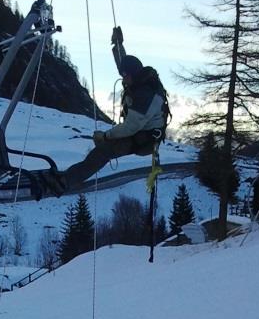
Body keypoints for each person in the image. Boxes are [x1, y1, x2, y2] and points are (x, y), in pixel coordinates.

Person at [29, 27, 169, 200]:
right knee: (101, 150)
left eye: (125, 76)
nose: (123, 79)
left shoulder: (145, 95)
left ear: (132, 75)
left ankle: (63, 183)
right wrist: (118, 45)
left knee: (103, 152)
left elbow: (131, 127)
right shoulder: (139, 77)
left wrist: (106, 136)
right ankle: (68, 176)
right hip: (141, 131)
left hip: (145, 140)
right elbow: (123, 64)